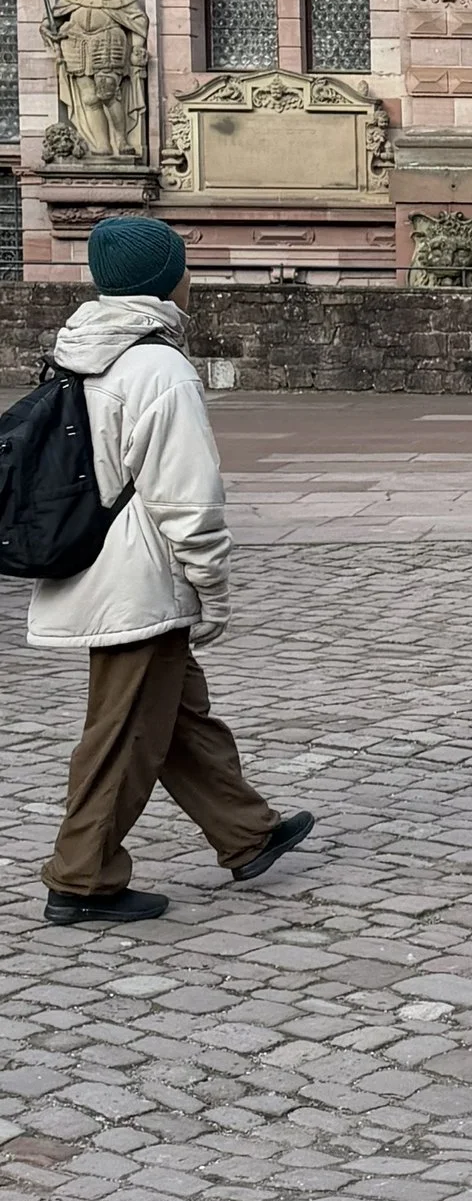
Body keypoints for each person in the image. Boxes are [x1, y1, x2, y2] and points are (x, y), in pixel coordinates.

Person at [31, 217, 311, 926]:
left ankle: (245, 829)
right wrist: (212, 589)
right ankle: (81, 876)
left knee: (179, 715)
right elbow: (187, 497)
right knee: (124, 731)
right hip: (140, 578)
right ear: (166, 278)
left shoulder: (80, 347)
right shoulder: (157, 366)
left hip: (100, 563)